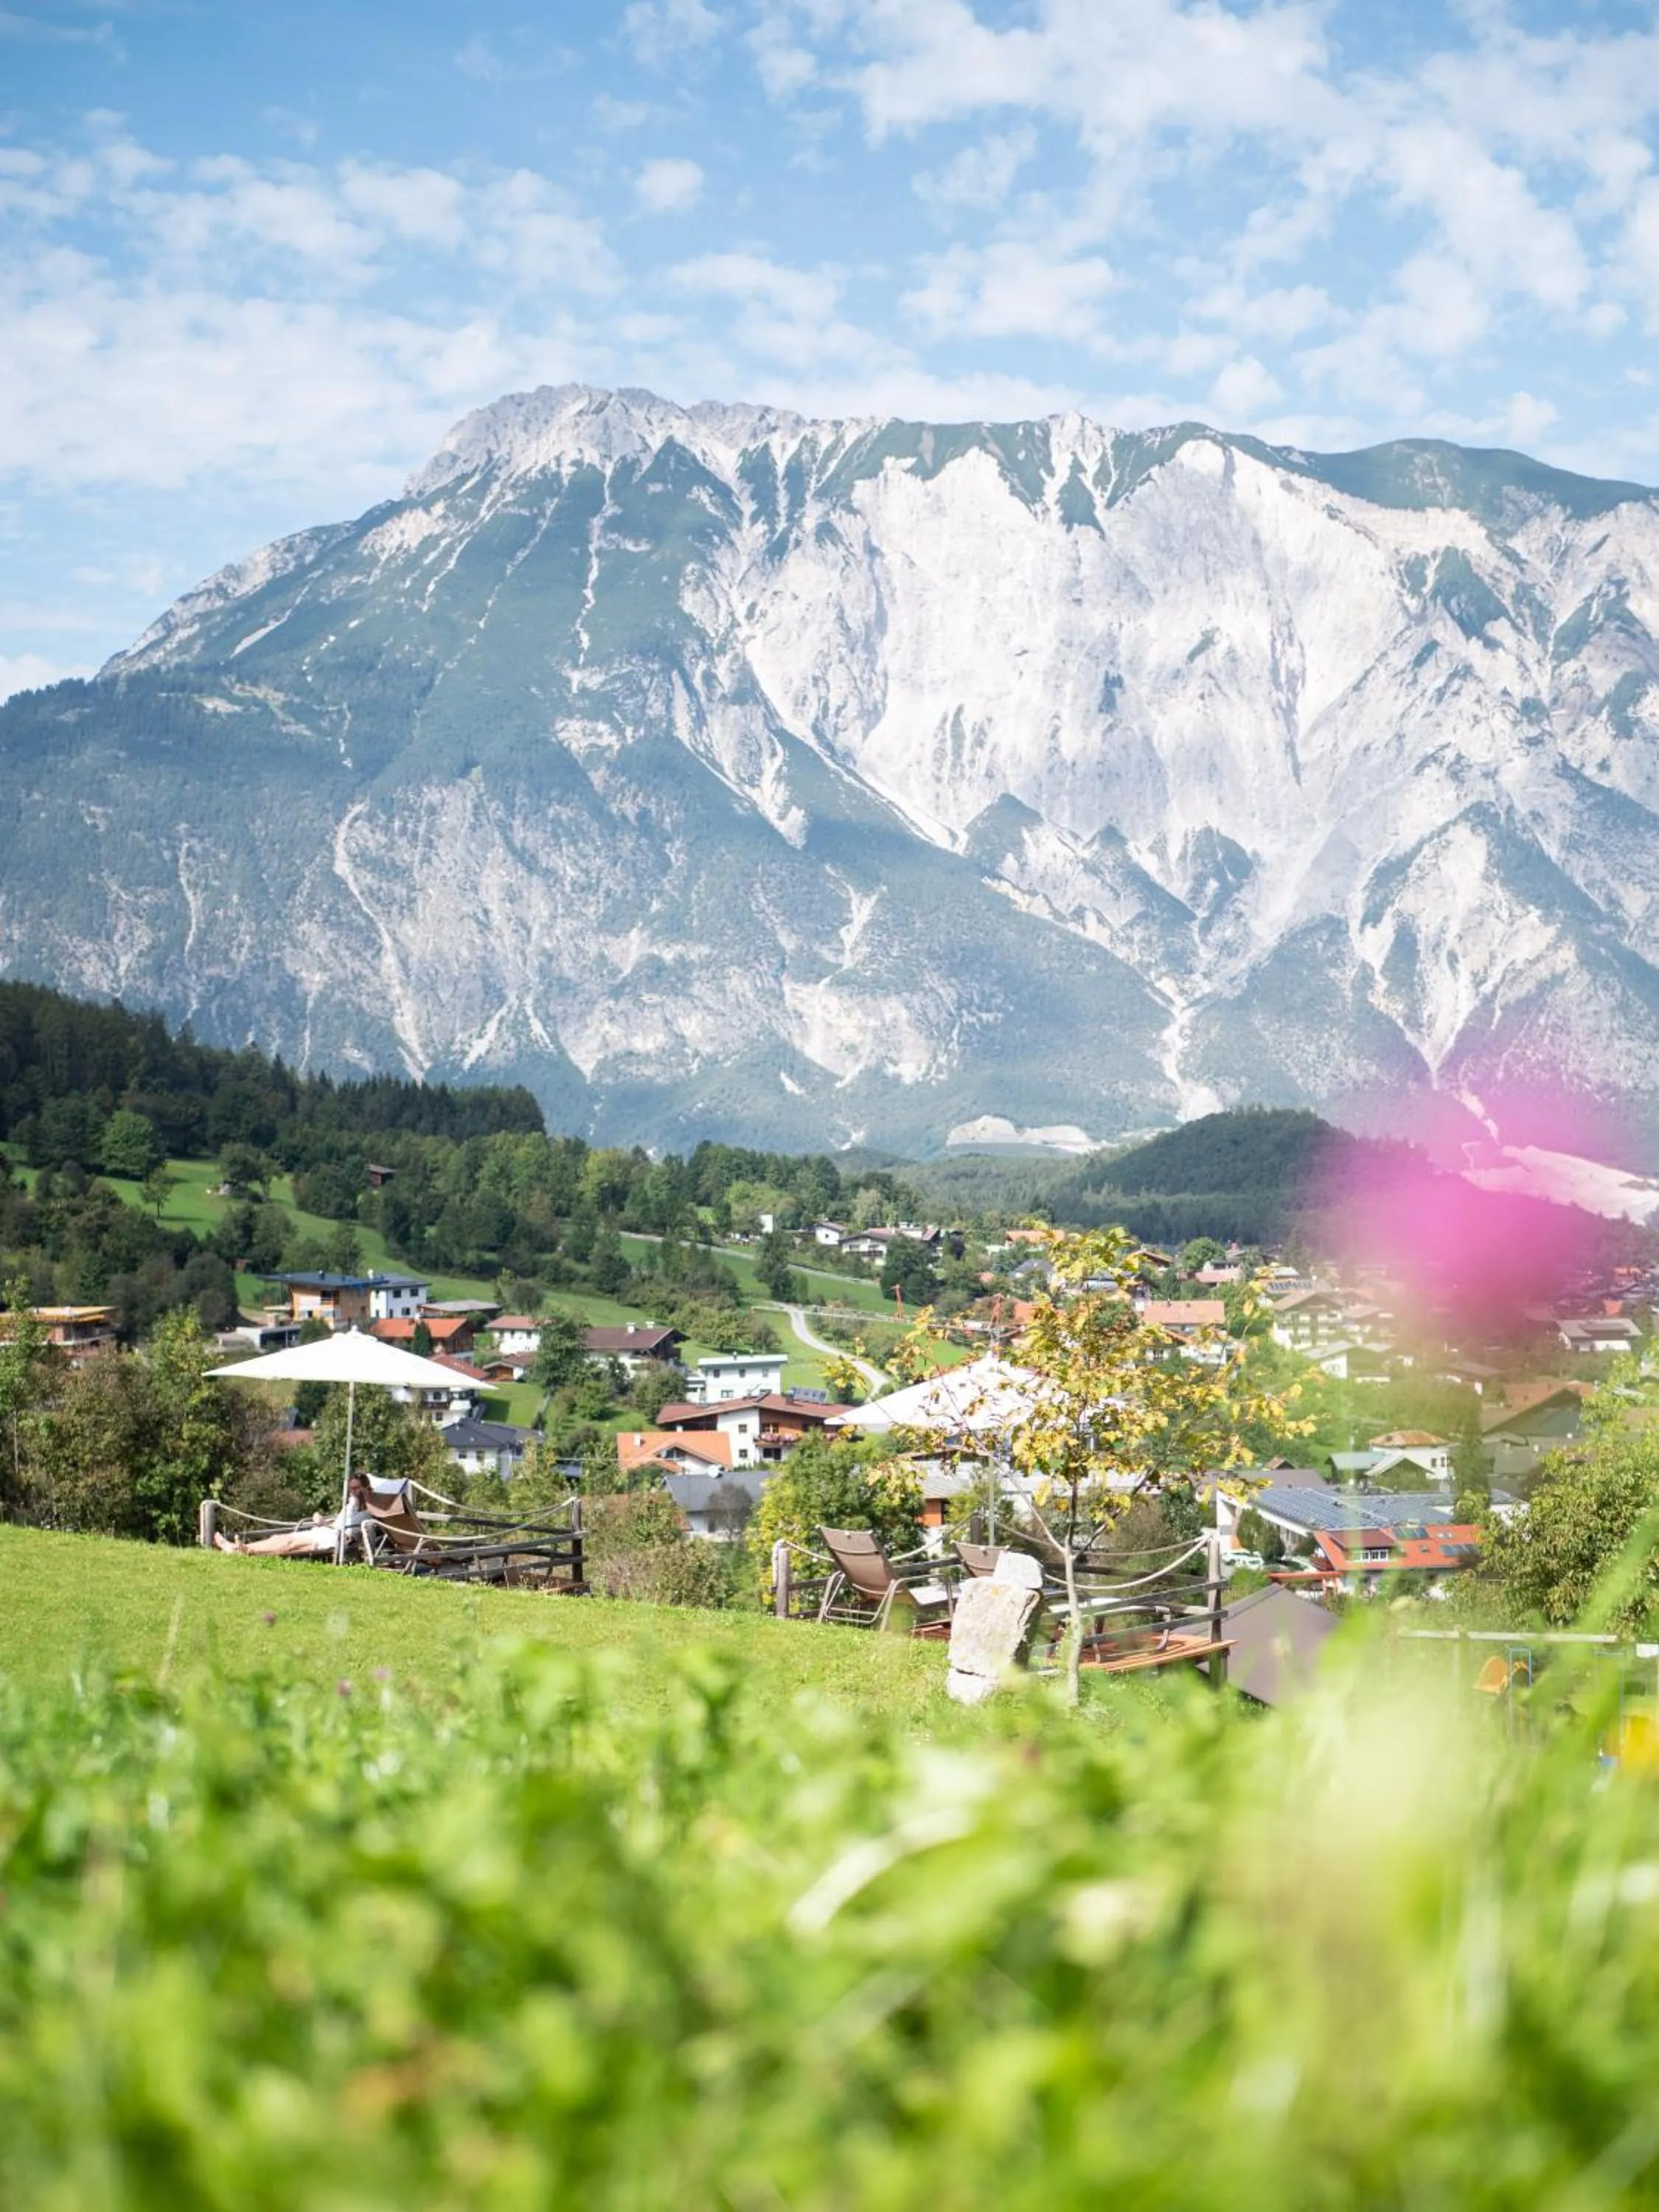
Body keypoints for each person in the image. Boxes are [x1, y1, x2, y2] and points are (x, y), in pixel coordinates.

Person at [215, 1473, 375, 1558]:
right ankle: (239, 1549)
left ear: (365, 1488)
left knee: (289, 1543)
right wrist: (323, 1520)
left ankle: (243, 1550)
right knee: (279, 1538)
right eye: (351, 1489)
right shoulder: (350, 1507)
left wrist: (326, 1524)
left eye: (357, 1489)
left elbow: (349, 1536)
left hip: (333, 1539)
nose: (353, 1492)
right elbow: (340, 1522)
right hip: (325, 1532)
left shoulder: (366, 1514)